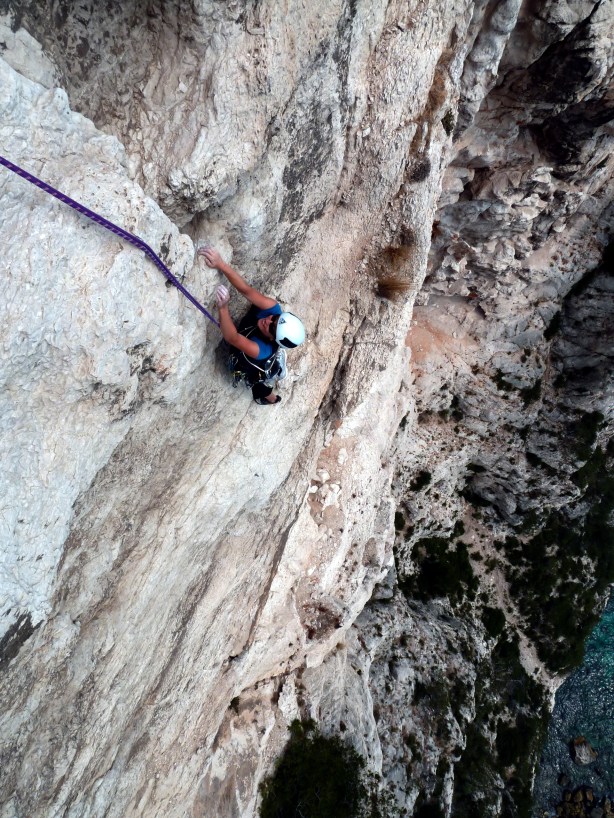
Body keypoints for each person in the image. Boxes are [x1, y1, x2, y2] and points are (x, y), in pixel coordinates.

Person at [198, 245, 305, 405]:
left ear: (272, 339)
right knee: (264, 369)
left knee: (256, 379)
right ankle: (274, 369)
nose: (268, 320)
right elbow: (246, 290)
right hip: (257, 342)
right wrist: (220, 264)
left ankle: (267, 393)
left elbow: (232, 338)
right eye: (274, 318)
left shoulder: (261, 349)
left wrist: (223, 308)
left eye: (272, 327)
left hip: (249, 356)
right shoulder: (273, 308)